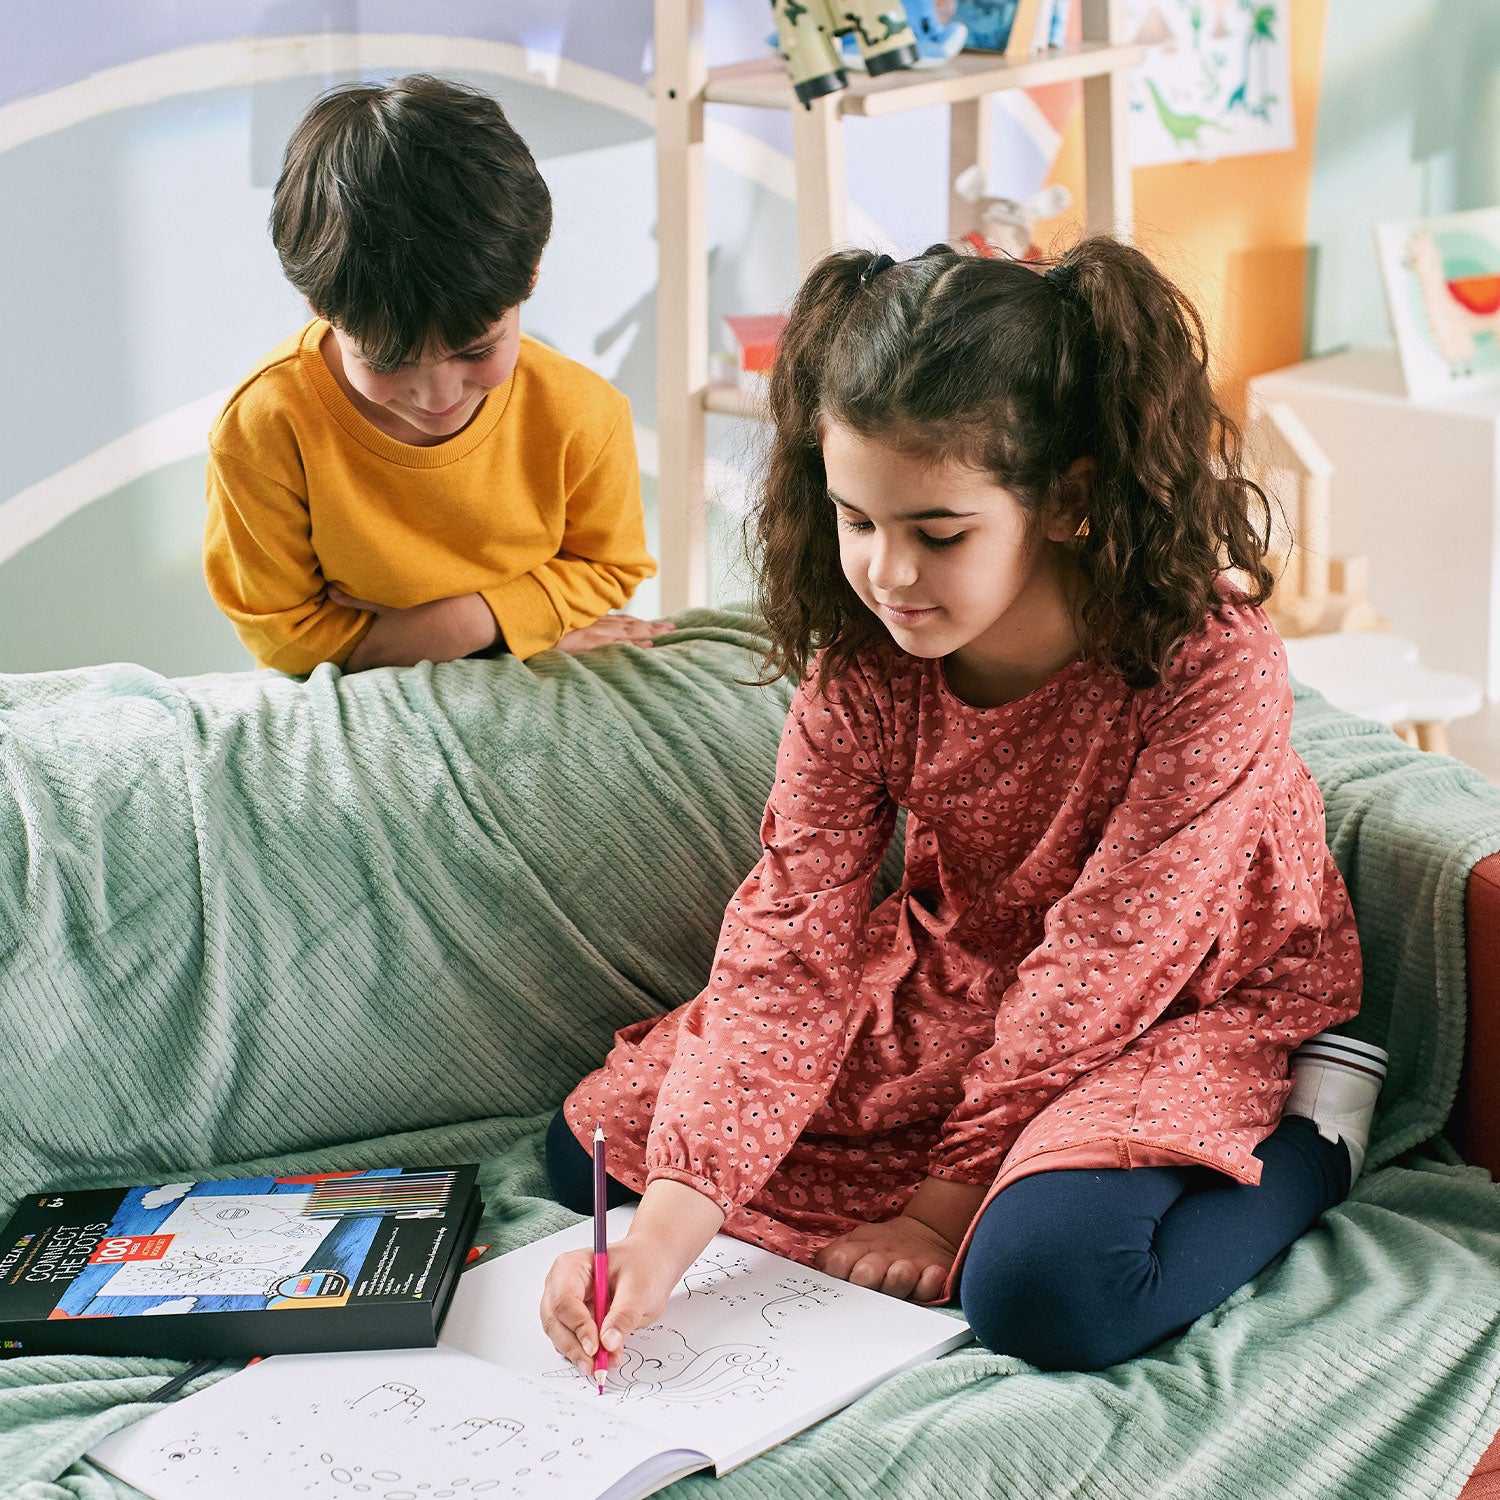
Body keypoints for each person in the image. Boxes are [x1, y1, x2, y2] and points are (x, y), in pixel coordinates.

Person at [538, 239, 1384, 1380]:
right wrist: (665, 1233)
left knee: (1044, 1293)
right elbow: (789, 943)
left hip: (1192, 989)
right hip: (976, 971)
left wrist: (941, 1212)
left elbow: (1115, 957)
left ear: (1068, 500)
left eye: (937, 534)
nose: (886, 575)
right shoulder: (866, 674)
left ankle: (1320, 1136)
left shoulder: (1209, 663)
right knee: (598, 1152)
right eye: (856, 521)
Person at [204, 74, 668, 675]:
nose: (438, 396)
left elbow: (613, 568)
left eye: (475, 352)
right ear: (323, 308)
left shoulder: (583, 413)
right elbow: (282, 635)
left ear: (529, 277)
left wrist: (461, 625)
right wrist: (513, 624)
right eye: (389, 362)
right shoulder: (264, 428)